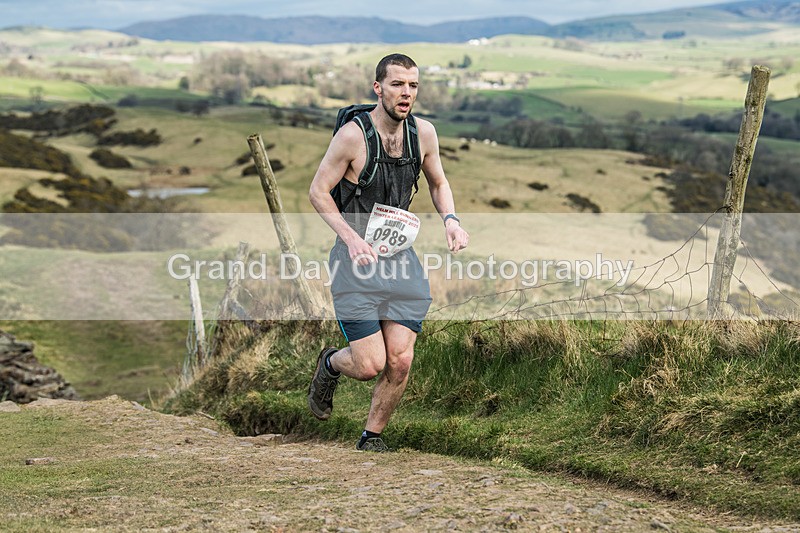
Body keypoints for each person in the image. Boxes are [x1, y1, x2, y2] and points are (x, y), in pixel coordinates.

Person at [307, 53, 469, 452]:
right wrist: (350, 237)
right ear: (378, 88)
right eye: (397, 84)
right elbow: (317, 191)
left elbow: (438, 182)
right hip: (354, 262)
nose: (406, 93)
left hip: (401, 262)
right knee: (369, 365)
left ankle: (371, 437)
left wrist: (450, 219)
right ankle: (330, 363)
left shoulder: (423, 134)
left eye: (413, 85)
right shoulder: (352, 137)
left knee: (400, 361)